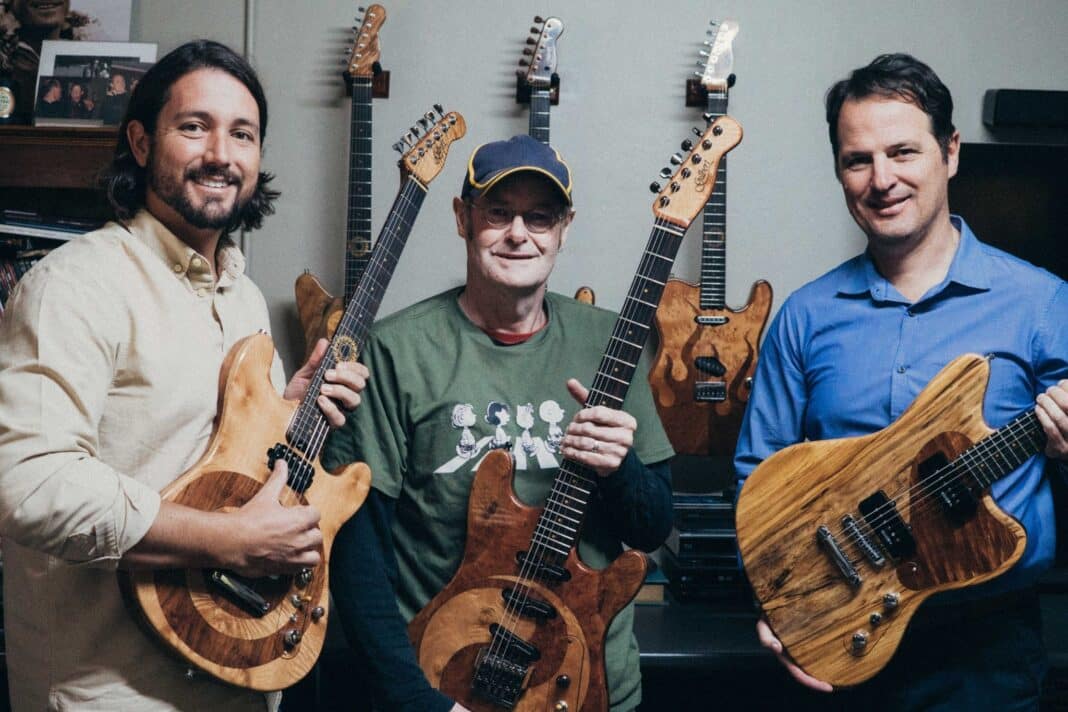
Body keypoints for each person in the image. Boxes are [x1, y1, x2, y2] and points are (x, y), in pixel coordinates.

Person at [0, 39, 369, 711]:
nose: (221, 155)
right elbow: (27, 482)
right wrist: (230, 541)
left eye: (243, 134)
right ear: (141, 142)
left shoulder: (243, 296)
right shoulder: (77, 284)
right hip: (109, 694)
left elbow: (211, 460)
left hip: (237, 679)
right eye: (194, 127)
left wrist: (284, 411)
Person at [735, 53, 1068, 709]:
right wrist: (782, 603)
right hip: (843, 636)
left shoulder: (1042, 303)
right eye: (858, 160)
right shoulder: (805, 316)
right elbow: (759, 477)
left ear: (949, 153)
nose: (881, 179)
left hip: (986, 655)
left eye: (903, 152)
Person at [322, 134, 675, 712]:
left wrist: (621, 468)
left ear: (564, 227)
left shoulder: (612, 341)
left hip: (589, 688)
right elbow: (359, 558)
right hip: (447, 683)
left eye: (540, 217)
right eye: (498, 213)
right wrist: (418, 704)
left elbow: (653, 526)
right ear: (463, 218)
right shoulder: (393, 351)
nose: (519, 233)